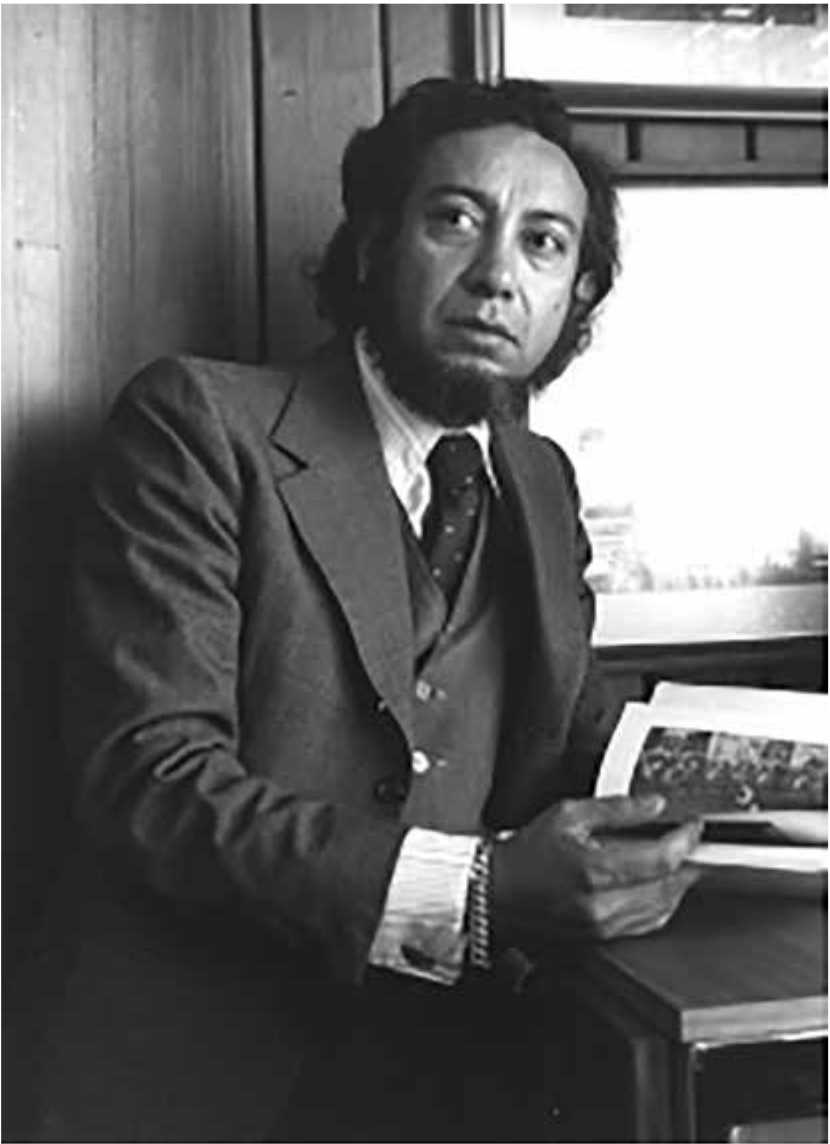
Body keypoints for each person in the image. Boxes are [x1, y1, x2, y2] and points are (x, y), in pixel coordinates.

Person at [23, 77, 701, 1142]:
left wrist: (773, 794)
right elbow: (151, 780)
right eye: (456, 220)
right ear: (375, 242)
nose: (496, 275)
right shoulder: (197, 424)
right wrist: (476, 889)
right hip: (198, 1083)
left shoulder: (541, 480)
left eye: (542, 243)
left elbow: (576, 743)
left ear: (575, 295)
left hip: (457, 1075)